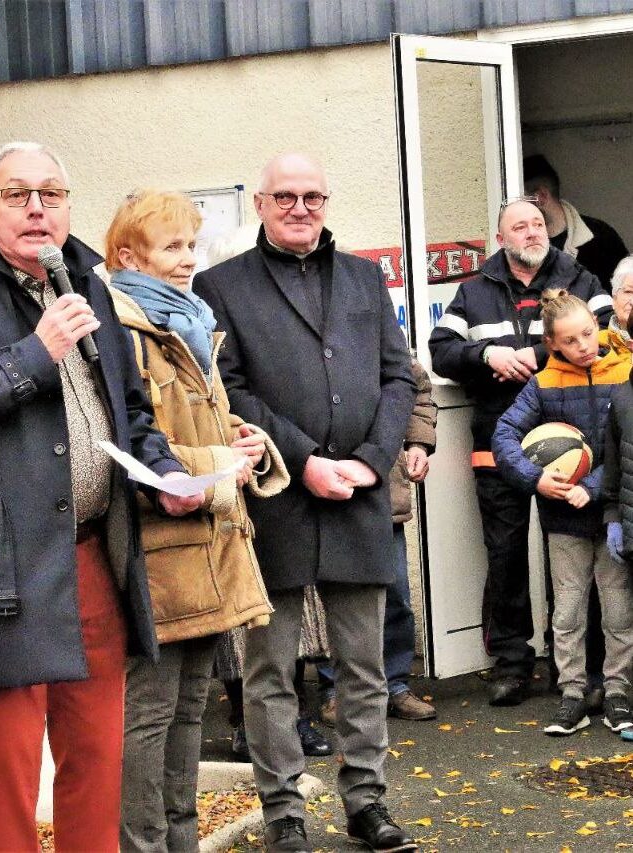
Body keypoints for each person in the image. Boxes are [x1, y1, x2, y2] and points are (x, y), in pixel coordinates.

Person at [0, 142, 203, 853]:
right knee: (5, 765)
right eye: (17, 193)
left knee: (96, 757)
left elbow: (130, 407)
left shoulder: (89, 287)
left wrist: (163, 477)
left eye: (52, 193)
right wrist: (33, 353)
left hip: (94, 555)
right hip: (2, 567)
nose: (37, 207)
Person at [194, 153, 418, 853]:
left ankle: (366, 802)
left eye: (312, 196)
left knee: (363, 663)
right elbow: (229, 391)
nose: (299, 207)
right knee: (269, 669)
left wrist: (369, 461)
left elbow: (396, 375)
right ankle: (282, 810)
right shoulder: (219, 286)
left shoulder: (362, 277)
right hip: (276, 498)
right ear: (258, 203)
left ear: (327, 202)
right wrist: (305, 461)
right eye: (284, 196)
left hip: (357, 493)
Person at [104, 190, 290, 851]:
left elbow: (184, 427)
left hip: (205, 551)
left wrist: (242, 443)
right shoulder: (123, 332)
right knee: (149, 717)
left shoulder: (184, 322)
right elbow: (125, 446)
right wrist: (217, 461)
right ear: (127, 256)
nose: (188, 260)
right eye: (171, 247)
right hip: (158, 555)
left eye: (193, 245)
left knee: (188, 710)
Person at [429, 198, 613, 708]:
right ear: (501, 238)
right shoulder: (473, 292)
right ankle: (511, 664)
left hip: (579, 454)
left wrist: (530, 355)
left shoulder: (582, 280)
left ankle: (575, 669)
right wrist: (487, 354)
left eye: (537, 224)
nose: (532, 232)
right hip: (499, 447)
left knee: (578, 562)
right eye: (520, 226)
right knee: (506, 557)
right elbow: (440, 350)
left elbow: (611, 340)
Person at [205, 225, 332, 763]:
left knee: (297, 616)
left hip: (283, 477)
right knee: (243, 619)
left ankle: (295, 716)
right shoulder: (203, 321)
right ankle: (243, 720)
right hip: (231, 479)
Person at [492, 290, 633, 736]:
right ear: (552, 344)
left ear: (598, 323)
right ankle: (572, 695)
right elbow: (504, 435)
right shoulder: (544, 383)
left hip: (614, 515)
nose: (584, 346)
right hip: (563, 520)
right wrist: (537, 479)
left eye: (588, 333)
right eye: (571, 341)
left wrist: (591, 487)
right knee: (567, 612)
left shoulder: (626, 371)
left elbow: (628, 448)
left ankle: (618, 694)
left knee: (618, 612)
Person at [318, 359, 439, 723]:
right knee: (335, 599)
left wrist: (418, 442)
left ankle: (396, 684)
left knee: (397, 595)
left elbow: (417, 387)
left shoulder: (381, 335)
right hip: (329, 489)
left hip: (384, 495)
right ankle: (335, 688)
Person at [524, 154, 628, 290]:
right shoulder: (521, 243)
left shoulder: (600, 238)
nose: (516, 208)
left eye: (522, 199)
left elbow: (625, 294)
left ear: (541, 197)